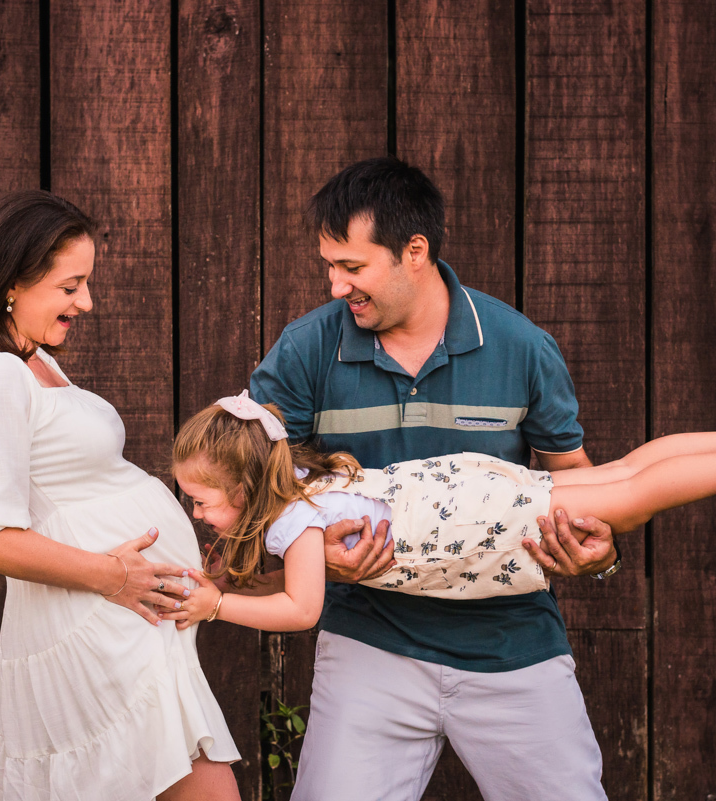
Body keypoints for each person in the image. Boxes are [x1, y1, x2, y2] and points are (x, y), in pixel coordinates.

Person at [248, 156, 619, 800]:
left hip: (513, 642)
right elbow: (250, 485)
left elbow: (580, 482)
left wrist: (601, 553)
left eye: (353, 267)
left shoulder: (521, 346)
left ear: (413, 251)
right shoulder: (307, 348)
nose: (337, 286)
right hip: (370, 641)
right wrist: (311, 552)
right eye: (329, 266)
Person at [0, 190, 240, 801]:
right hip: (95, 622)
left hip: (123, 620)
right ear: (12, 284)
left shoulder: (34, 362)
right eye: (71, 286)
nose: (87, 302)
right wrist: (109, 575)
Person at [163, 396, 716, 630]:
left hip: (475, 521)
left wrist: (217, 604)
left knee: (628, 502)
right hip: (472, 490)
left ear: (248, 492)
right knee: (622, 472)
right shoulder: (298, 477)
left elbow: (302, 608)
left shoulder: (293, 523)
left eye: (201, 499)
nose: (195, 511)